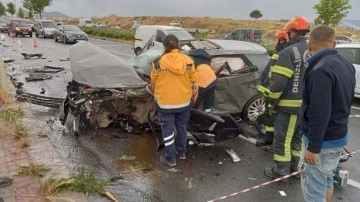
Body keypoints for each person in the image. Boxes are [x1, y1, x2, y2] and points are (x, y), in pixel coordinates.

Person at [299, 25, 355, 202]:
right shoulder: (346, 65)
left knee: (314, 189)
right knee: (327, 179)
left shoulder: (320, 70)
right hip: (338, 135)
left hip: (322, 142)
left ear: (309, 46)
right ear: (334, 43)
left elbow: (320, 111)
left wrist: (313, 147)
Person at [264, 16, 311, 179]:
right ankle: (295, 169)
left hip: (288, 106)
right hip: (306, 107)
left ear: (292, 33)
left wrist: (272, 101)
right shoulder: (311, 51)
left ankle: (281, 170)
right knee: (297, 139)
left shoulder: (289, 52)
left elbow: (277, 83)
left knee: (283, 138)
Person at [150, 34, 198, 167]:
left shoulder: (158, 62)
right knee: (182, 128)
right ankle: (182, 152)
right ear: (178, 44)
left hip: (165, 104)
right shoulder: (188, 61)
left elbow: (153, 80)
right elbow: (194, 78)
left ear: (164, 45)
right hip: (183, 103)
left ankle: (170, 158)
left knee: (168, 131)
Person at [256, 29, 288, 148]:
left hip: (276, 92)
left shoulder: (285, 54)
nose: (278, 42)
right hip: (269, 90)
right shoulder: (279, 52)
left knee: (276, 116)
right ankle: (269, 136)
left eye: (280, 40)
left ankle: (274, 140)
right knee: (269, 115)